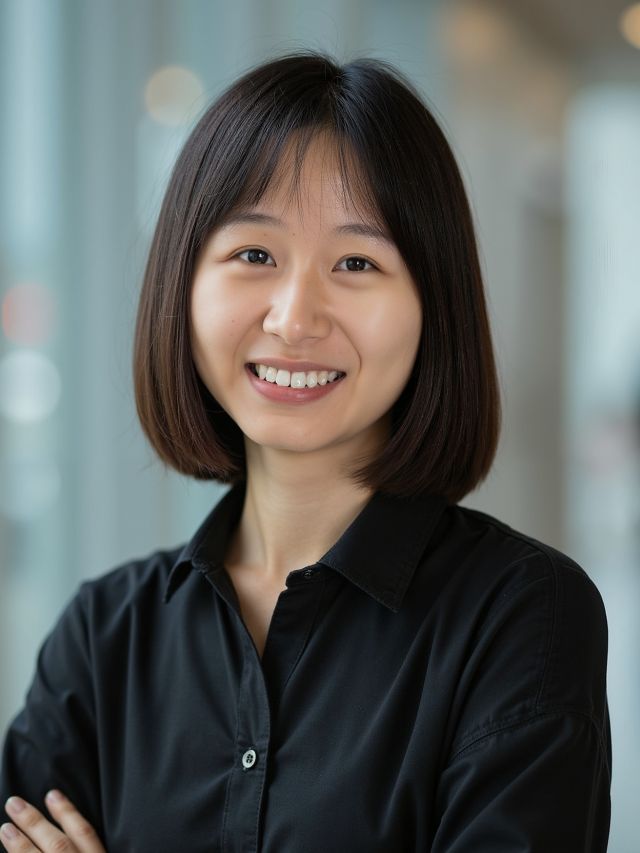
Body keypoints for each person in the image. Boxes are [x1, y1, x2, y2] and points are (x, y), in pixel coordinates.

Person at [0, 51, 611, 852]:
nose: (295, 317)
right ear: (184, 284)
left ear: (435, 305)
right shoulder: (103, 638)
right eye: (254, 254)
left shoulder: (522, 618)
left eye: (357, 262)